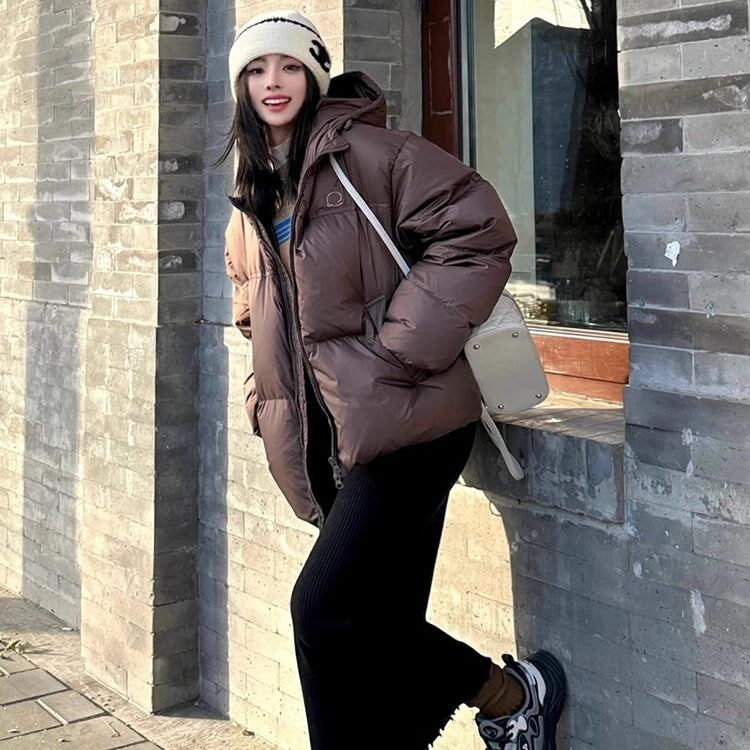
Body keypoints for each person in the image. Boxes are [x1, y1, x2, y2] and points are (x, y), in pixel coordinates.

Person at [218, 9, 566, 749]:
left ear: (315, 77)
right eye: (255, 69)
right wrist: (264, 395)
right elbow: (255, 312)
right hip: (335, 436)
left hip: (413, 424)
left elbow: (477, 231)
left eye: (289, 66)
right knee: (377, 624)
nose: (273, 82)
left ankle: (511, 698)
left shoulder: (371, 156)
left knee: (321, 612)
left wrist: (398, 353)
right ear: (240, 87)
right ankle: (513, 700)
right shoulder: (251, 197)